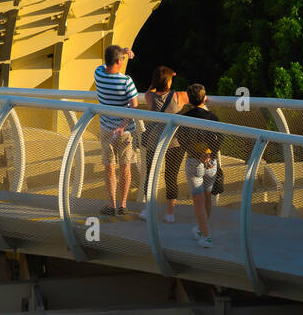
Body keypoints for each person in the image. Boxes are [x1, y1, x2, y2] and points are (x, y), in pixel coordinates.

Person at [93, 45, 139, 218]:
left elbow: (107, 64)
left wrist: (123, 52)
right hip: (125, 132)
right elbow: (134, 107)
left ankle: (111, 205)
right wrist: (123, 125)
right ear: (120, 61)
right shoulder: (126, 81)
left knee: (109, 167)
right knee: (125, 167)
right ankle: (123, 204)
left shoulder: (98, 73)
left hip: (106, 128)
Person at [139, 66, 188, 222]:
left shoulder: (149, 97)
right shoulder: (180, 96)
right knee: (171, 176)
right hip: (175, 142)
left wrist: (158, 81)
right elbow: (198, 96)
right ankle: (169, 213)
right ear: (169, 80)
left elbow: (149, 91)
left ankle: (148, 210)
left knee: (150, 174)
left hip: (154, 141)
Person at [176, 83, 222, 247]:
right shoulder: (213, 117)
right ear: (204, 98)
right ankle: (203, 230)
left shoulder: (185, 117)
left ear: (189, 99)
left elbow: (181, 140)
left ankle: (206, 236)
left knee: (198, 201)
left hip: (194, 163)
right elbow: (220, 138)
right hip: (211, 164)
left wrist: (197, 154)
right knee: (207, 198)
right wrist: (209, 154)